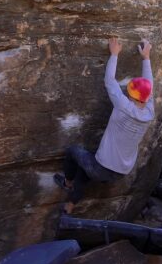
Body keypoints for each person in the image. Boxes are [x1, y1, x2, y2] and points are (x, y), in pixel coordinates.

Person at [55, 37, 154, 215]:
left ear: (131, 96)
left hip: (101, 168)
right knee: (86, 168)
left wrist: (114, 54)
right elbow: (149, 85)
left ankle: (67, 183)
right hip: (122, 171)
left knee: (73, 152)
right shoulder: (149, 111)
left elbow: (110, 82)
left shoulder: (123, 106)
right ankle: (69, 205)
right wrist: (146, 58)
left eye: (129, 90)